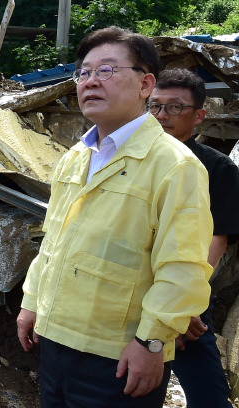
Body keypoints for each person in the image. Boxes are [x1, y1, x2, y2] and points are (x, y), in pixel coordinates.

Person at [17, 26, 214, 407]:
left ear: (145, 84)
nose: (90, 81)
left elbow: (184, 267)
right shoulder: (76, 157)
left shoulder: (174, 166)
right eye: (84, 73)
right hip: (56, 342)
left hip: (119, 356)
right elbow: (54, 243)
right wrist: (32, 303)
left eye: (106, 71)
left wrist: (151, 342)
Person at [149, 68, 239, 408]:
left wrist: (185, 303)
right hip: (132, 293)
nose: (161, 116)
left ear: (199, 116)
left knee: (208, 395)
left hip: (187, 297)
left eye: (174, 108)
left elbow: (216, 239)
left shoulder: (215, 168)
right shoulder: (130, 159)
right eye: (154, 106)